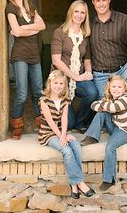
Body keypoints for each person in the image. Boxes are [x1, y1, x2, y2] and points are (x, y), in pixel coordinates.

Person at [38, 70, 95, 198]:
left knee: (75, 145)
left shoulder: (65, 100)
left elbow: (64, 119)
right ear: (50, 83)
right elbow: (51, 122)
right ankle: (80, 183)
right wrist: (61, 137)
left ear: (65, 85)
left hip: (61, 132)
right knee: (67, 151)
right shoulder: (44, 100)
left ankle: (74, 185)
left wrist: (64, 134)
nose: (58, 86)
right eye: (55, 83)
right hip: (48, 134)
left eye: (61, 83)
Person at [5, 0, 46, 140]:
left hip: (34, 55)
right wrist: (31, 28)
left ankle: (42, 123)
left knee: (38, 91)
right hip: (20, 55)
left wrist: (25, 27)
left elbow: (42, 26)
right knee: (22, 92)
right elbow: (17, 32)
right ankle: (17, 124)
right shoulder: (10, 8)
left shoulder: (31, 8)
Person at [81, 75, 127, 191]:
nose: (116, 89)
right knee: (102, 113)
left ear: (124, 89)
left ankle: (109, 179)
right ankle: (92, 137)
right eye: (113, 86)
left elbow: (113, 108)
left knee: (110, 147)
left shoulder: (126, 99)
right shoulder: (110, 99)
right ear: (109, 88)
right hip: (116, 127)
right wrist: (104, 106)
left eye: (119, 87)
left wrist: (102, 106)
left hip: (125, 131)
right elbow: (93, 105)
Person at [51, 0, 98, 132]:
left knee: (92, 92)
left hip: (79, 77)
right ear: (70, 13)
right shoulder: (59, 32)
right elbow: (56, 61)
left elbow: (87, 60)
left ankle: (81, 121)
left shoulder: (85, 36)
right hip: (62, 80)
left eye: (82, 12)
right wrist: (76, 77)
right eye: (76, 11)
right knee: (69, 124)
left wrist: (88, 73)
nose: (79, 15)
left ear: (86, 15)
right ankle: (72, 120)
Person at [90, 0, 127, 99]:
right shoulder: (88, 25)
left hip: (124, 69)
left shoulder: (123, 20)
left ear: (109, 0)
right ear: (93, 2)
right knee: (106, 107)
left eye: (104, 0)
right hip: (101, 76)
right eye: (98, 1)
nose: (101, 4)